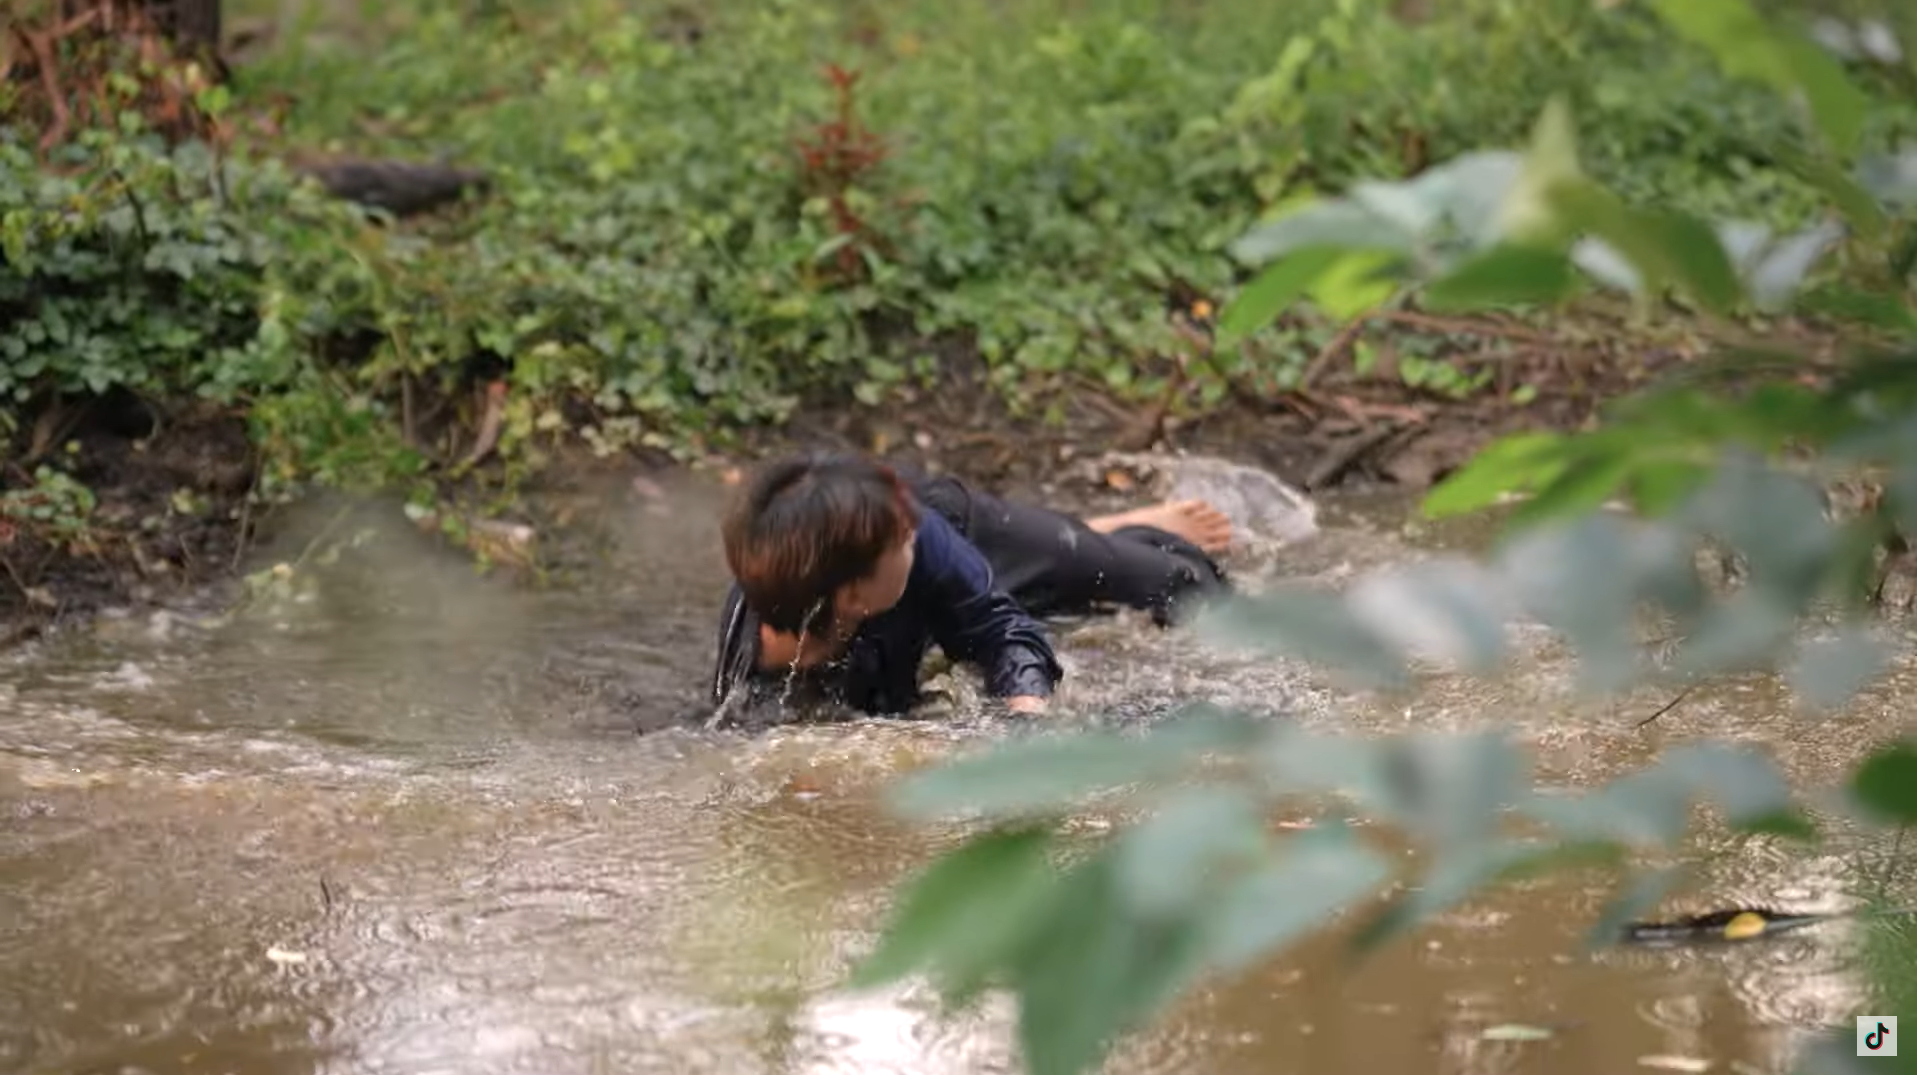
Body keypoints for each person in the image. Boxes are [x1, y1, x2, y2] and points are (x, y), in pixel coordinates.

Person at [707, 452, 1235, 719]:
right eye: (904, 538)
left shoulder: (923, 525)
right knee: (982, 582)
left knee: (1172, 578)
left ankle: (1101, 531)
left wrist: (1026, 708)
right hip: (905, 576)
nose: (913, 529)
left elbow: (1000, 630)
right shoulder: (755, 660)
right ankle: (1061, 538)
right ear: (851, 598)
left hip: (963, 529)